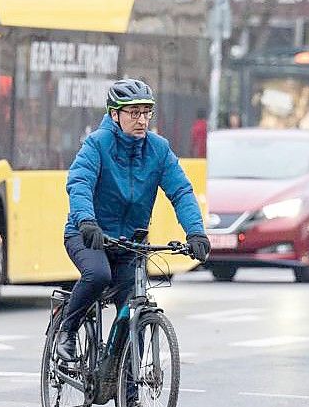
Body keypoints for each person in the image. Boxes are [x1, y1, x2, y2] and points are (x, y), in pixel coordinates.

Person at [56, 78, 210, 361]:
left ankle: (130, 392)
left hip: (130, 244)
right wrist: (87, 221)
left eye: (146, 112)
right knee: (99, 275)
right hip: (89, 235)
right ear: (114, 114)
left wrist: (196, 233)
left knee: (133, 309)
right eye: (133, 113)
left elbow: (181, 191)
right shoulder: (97, 144)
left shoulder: (159, 149)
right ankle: (68, 329)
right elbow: (79, 183)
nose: (142, 120)